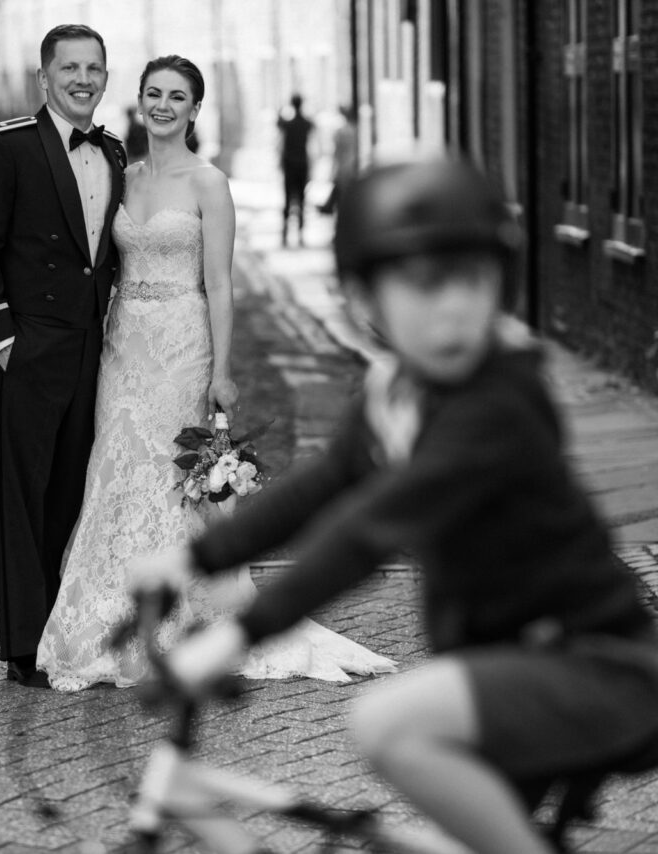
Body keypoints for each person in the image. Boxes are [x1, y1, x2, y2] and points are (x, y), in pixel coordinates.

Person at [129, 159, 658, 852]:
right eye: (422, 286)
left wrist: (240, 633)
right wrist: (193, 556)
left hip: (590, 664)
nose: (452, 308)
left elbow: (374, 524)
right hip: (503, 660)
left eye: (473, 282)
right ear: (364, 299)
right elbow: (324, 487)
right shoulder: (400, 390)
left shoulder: (498, 404)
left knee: (385, 722)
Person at [36, 55, 396, 693]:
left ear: (195, 109)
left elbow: (221, 285)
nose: (164, 105)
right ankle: (104, 622)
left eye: (178, 96)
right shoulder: (124, 173)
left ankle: (184, 622)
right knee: (116, 470)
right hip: (123, 346)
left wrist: (221, 371)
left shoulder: (208, 183)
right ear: (140, 100)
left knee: (177, 483)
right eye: (154, 93)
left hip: (183, 345)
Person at [0, 24, 128, 689]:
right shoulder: (6, 147)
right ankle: (25, 645)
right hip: (28, 349)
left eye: (93, 69)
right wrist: (1, 345)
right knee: (22, 497)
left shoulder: (112, 151)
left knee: (72, 495)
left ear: (105, 78)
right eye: (69, 68)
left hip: (93, 347)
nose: (82, 79)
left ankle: (65, 630)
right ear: (44, 78)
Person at [277, 93, 314, 247]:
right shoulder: (306, 124)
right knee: (301, 200)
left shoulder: (288, 124)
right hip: (302, 164)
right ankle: (300, 234)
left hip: (289, 165)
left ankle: (285, 233)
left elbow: (278, 123)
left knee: (287, 199)